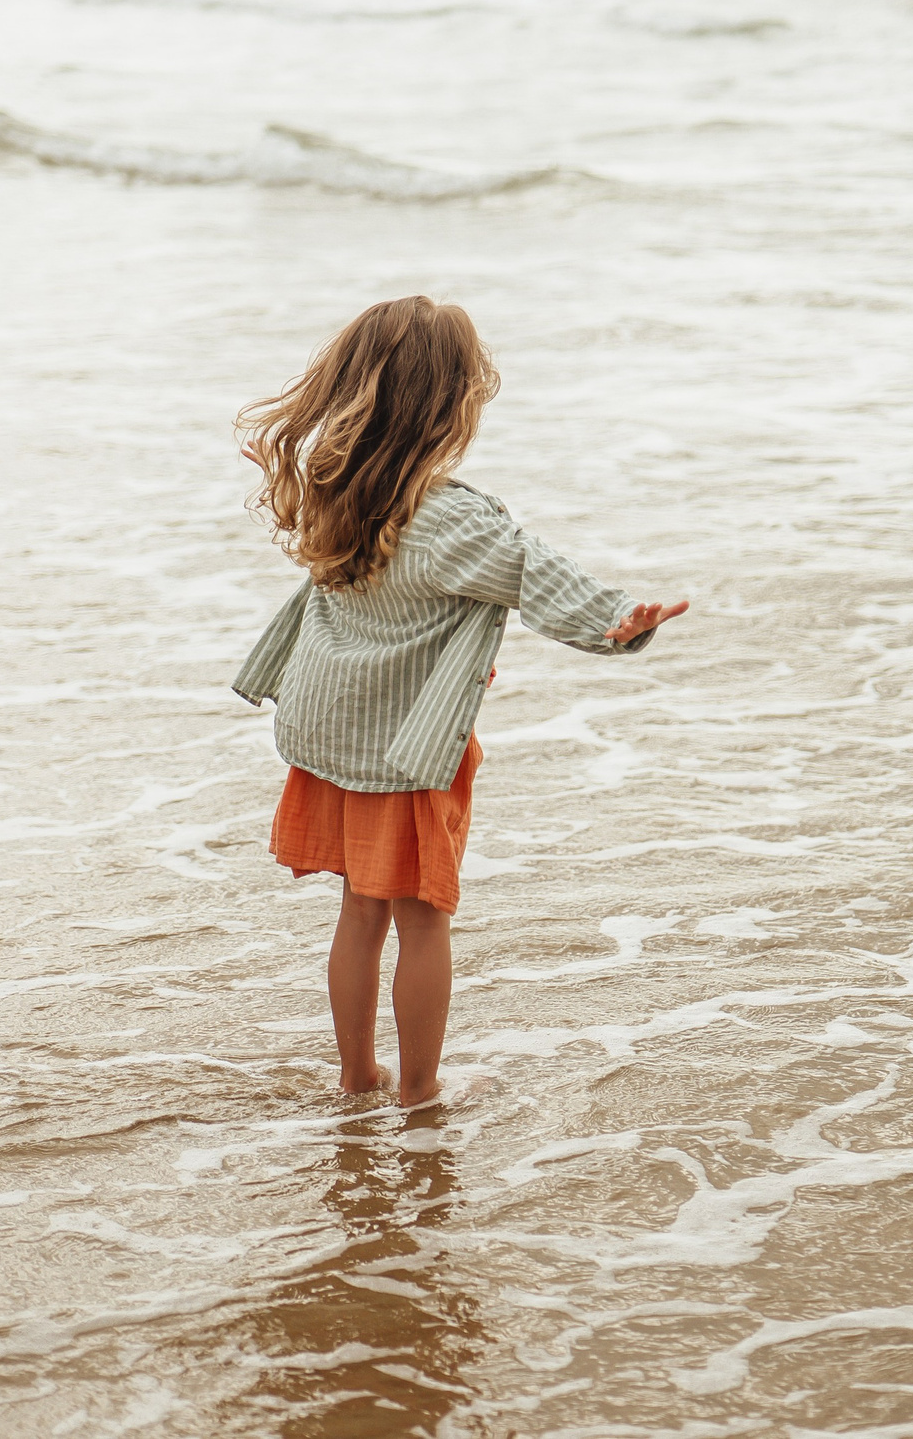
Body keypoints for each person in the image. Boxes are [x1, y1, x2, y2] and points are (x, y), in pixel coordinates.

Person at [232, 296, 689, 1108]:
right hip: (409, 749)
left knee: (359, 915)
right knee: (424, 922)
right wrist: (621, 624)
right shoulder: (450, 519)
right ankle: (418, 1092)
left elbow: (383, 609)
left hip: (338, 733)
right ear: (446, 407)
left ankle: (355, 1076)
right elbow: (535, 574)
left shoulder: (340, 488)